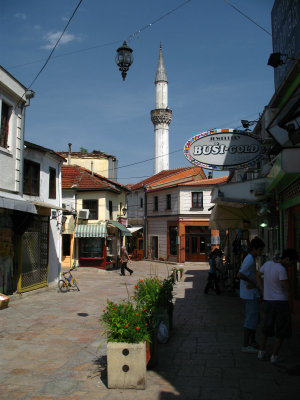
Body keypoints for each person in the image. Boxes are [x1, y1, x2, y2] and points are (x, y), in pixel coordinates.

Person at [256, 248, 299, 364]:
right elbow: (287, 288)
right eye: (292, 262)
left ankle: (261, 351)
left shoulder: (268, 264)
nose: (291, 265)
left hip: (268, 301)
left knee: (266, 327)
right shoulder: (282, 270)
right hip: (280, 302)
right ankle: (274, 355)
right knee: (281, 329)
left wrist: (262, 289)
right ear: (287, 259)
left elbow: (258, 275)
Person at [237, 237, 265, 353]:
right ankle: (246, 345)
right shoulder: (249, 259)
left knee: (255, 318)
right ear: (254, 249)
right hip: (249, 294)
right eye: (260, 250)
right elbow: (240, 274)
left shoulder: (251, 258)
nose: (261, 252)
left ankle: (252, 342)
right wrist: (252, 282)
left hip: (251, 293)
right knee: (250, 319)